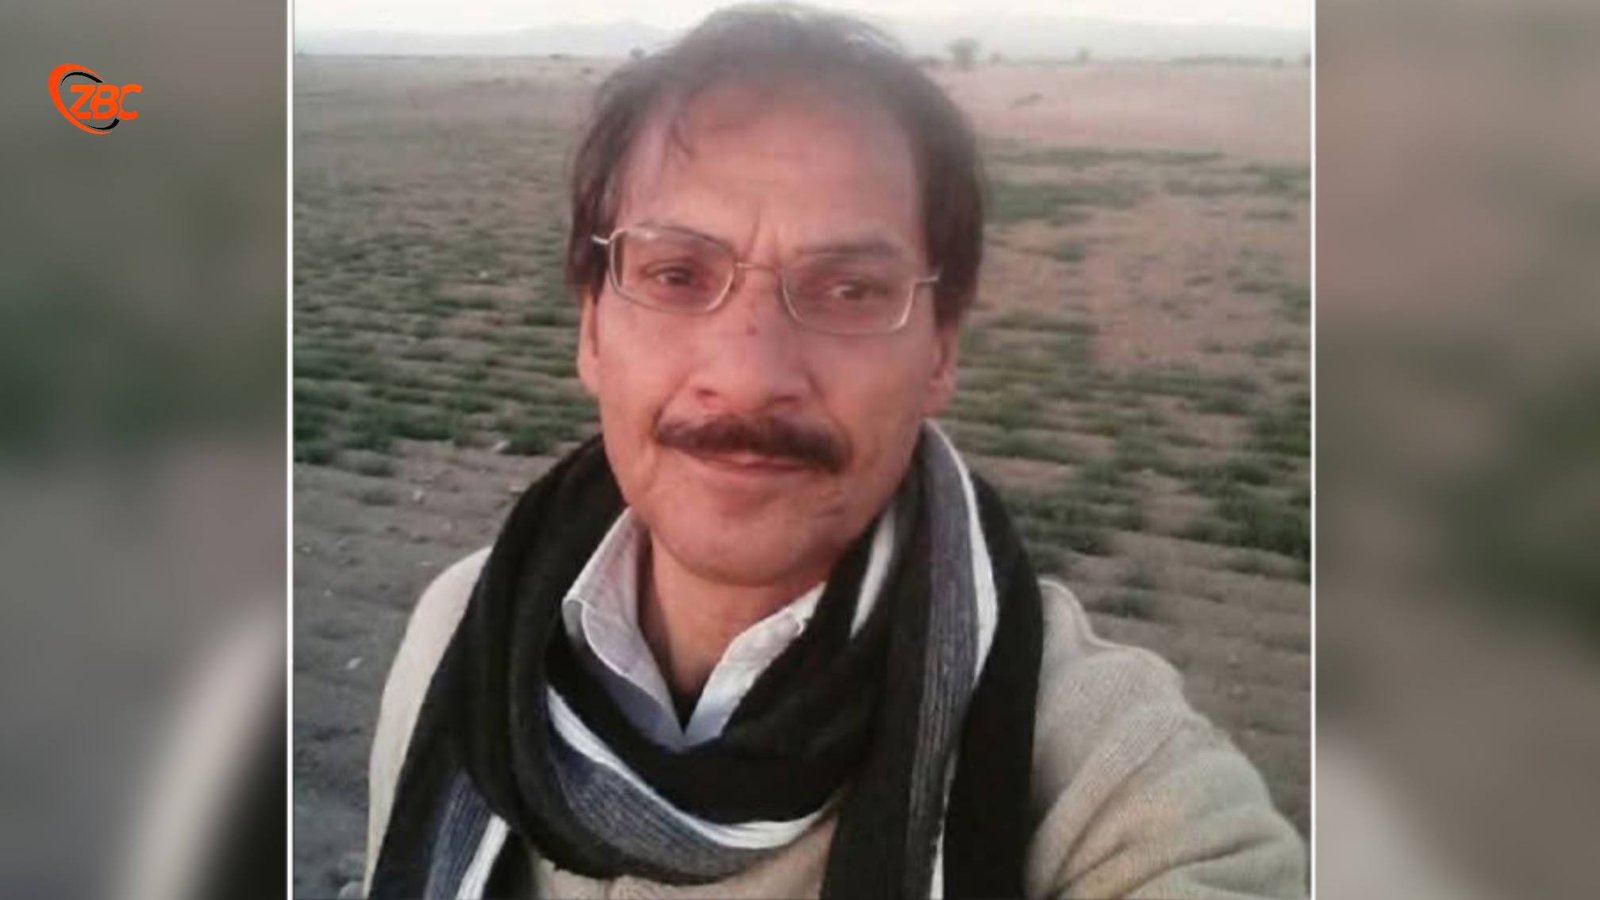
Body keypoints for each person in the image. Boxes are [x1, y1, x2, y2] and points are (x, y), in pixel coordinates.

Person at [363, 5, 1306, 898]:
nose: (748, 375)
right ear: (591, 329)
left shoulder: (1105, 779)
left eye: (851, 290)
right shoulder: (460, 635)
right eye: (677, 274)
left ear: (940, 351)